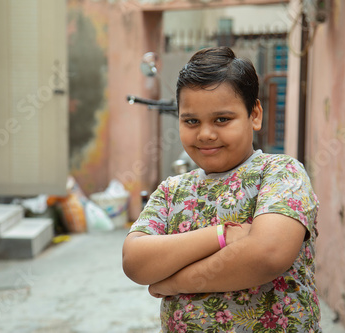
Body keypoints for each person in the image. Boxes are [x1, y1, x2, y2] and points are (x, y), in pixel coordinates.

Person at [122, 46, 320, 332]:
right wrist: (222, 235)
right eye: (191, 121)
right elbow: (135, 261)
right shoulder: (172, 191)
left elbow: (267, 254)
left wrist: (175, 281)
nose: (205, 134)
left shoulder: (280, 173)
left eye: (222, 119)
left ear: (254, 115)